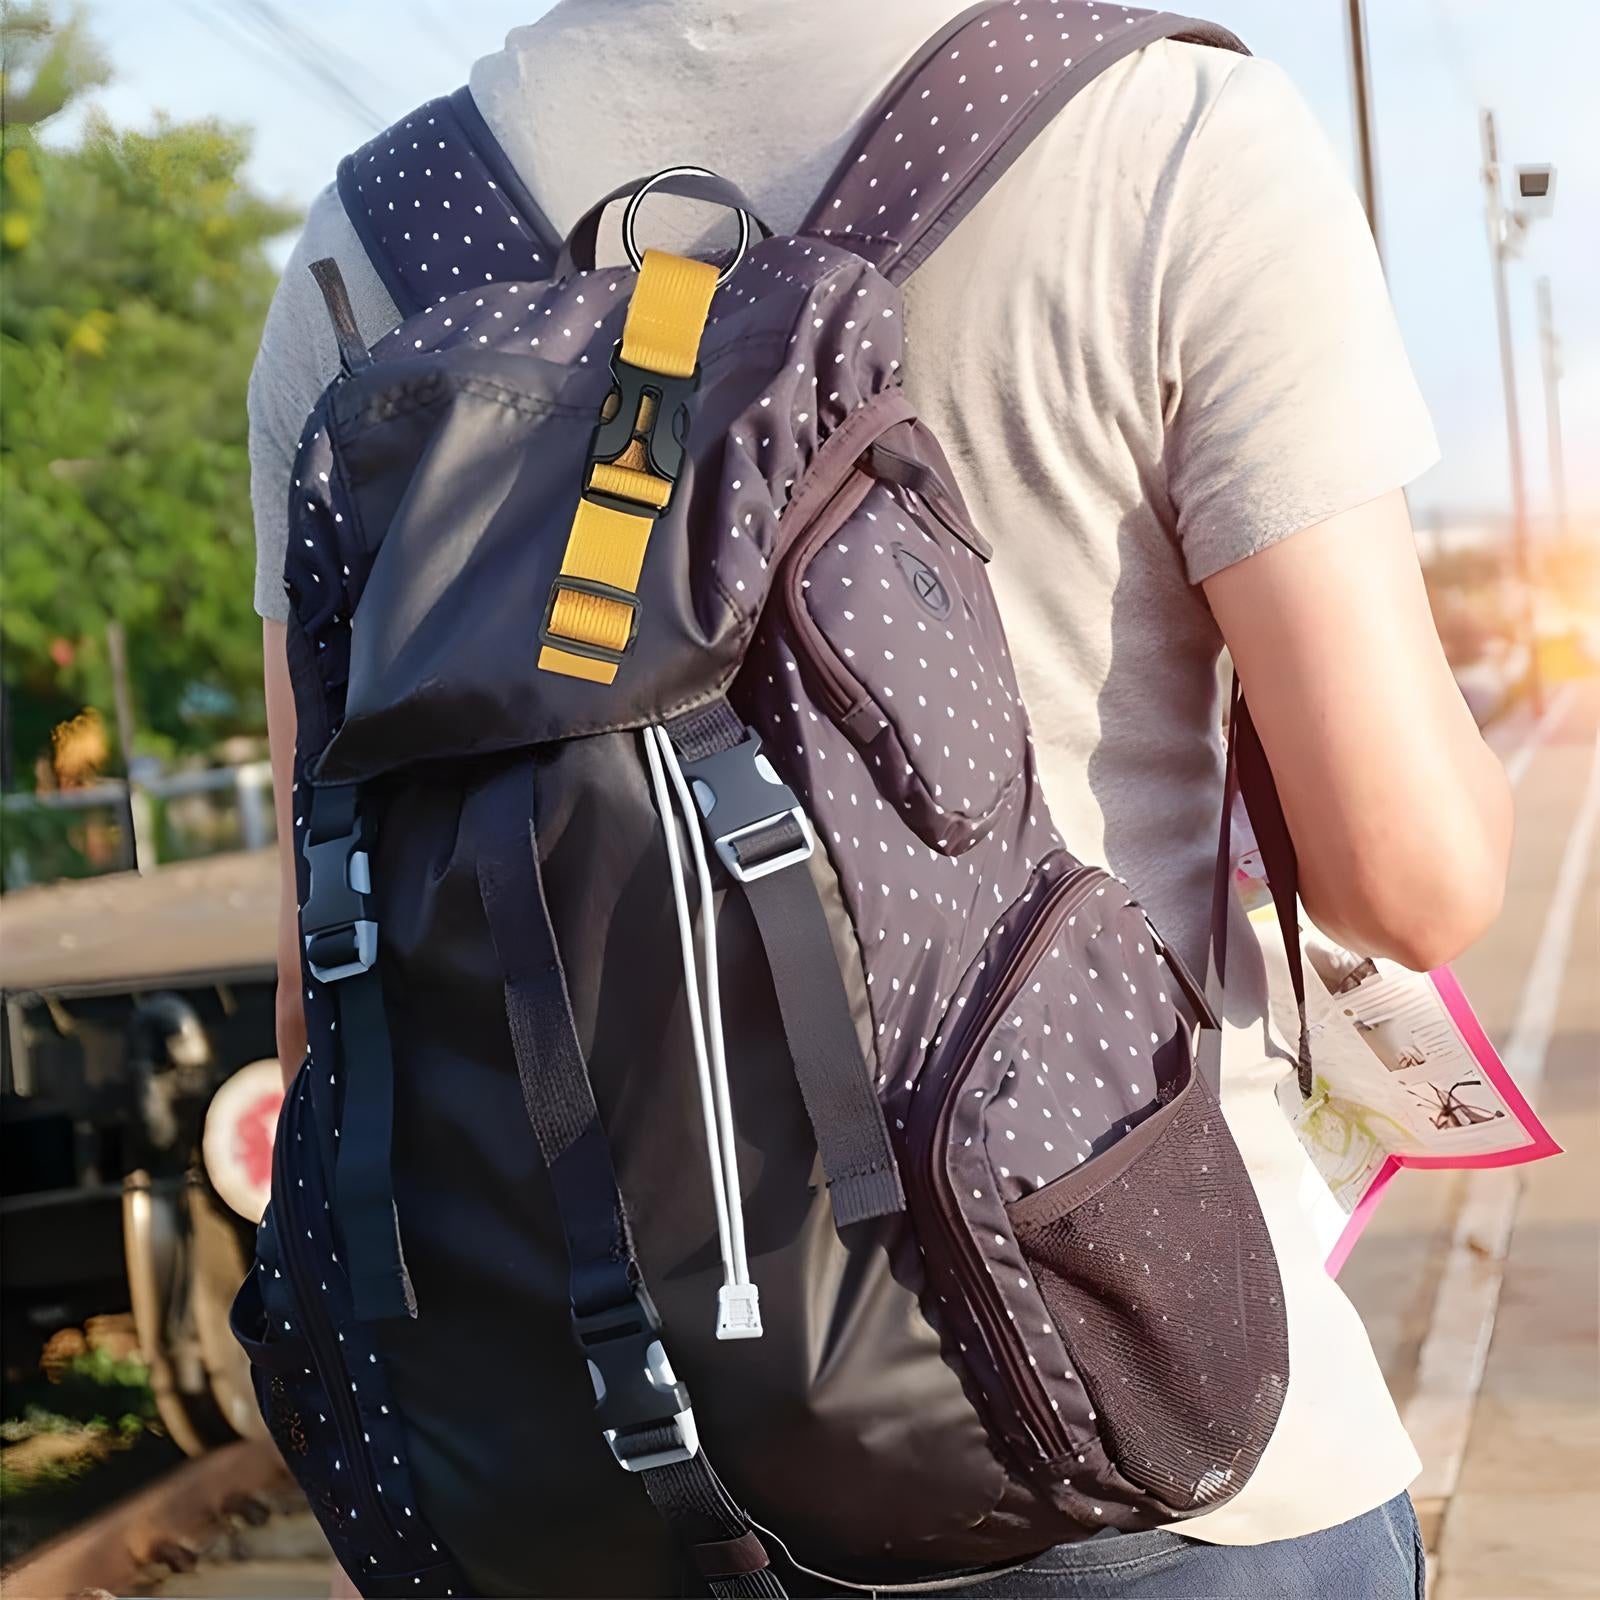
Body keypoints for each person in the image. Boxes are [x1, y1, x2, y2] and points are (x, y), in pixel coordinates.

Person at [249, 2, 1513, 1593]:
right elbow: (1410, 877)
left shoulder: (365, 247)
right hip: (1132, 1435)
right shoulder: (1162, 131)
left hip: (605, 1489)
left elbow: (331, 1004)